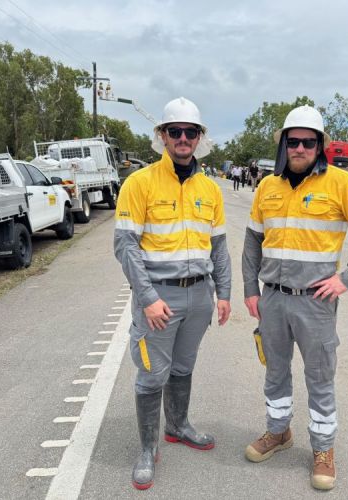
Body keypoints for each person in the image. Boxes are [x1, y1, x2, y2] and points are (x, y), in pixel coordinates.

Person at [242, 105, 348, 491]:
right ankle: (278, 432)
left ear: (320, 146)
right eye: (294, 141)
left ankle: (323, 449)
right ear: (285, 145)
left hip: (316, 303)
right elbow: (252, 241)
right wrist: (249, 289)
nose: (301, 147)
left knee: (320, 377)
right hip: (272, 299)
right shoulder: (267, 186)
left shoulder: (341, 183)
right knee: (275, 371)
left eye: (309, 141)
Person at [114, 97, 232, 490]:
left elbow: (218, 247)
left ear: (200, 138)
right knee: (152, 374)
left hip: (198, 296)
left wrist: (225, 292)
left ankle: (178, 426)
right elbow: (125, 246)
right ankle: (147, 448)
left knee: (183, 367)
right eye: (175, 131)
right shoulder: (140, 183)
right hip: (158, 298)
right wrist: (147, 298)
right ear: (162, 136)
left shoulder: (210, 189)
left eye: (190, 132)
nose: (183, 138)